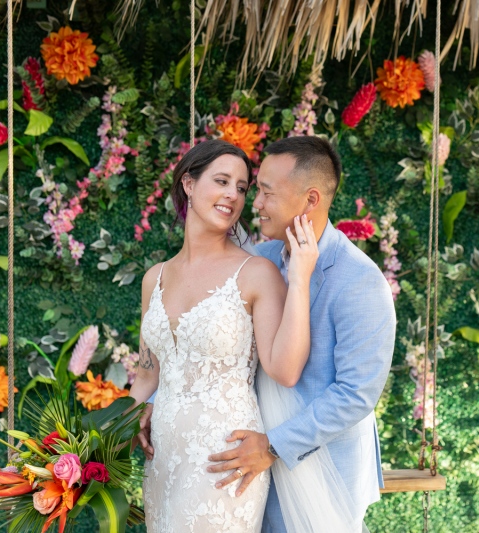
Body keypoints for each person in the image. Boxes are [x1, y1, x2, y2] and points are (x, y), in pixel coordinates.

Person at [138, 136, 397, 532]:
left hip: (314, 467)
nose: (252, 203)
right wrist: (157, 402)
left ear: (310, 200)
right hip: (236, 456)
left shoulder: (360, 282)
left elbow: (356, 394)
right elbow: (194, 350)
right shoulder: (262, 258)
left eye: (262, 191)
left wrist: (274, 445)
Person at [129, 139, 319, 532]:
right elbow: (148, 375)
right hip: (163, 460)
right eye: (222, 181)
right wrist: (117, 428)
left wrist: (299, 278)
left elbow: (285, 370)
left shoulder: (256, 274)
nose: (233, 194)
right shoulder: (155, 278)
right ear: (188, 184)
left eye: (242, 187)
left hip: (224, 460)